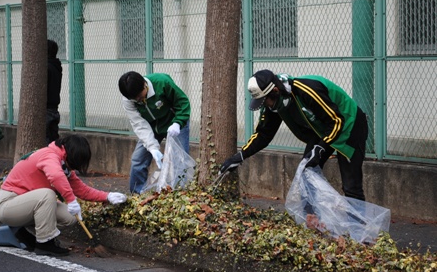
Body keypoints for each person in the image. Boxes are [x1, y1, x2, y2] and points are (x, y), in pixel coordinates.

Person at [220, 69, 368, 202]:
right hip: (321, 130)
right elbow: (263, 134)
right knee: (306, 174)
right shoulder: (276, 105)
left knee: (351, 185)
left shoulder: (306, 90)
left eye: (266, 101)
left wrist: (321, 148)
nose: (266, 106)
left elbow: (336, 120)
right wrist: (239, 157)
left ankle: (358, 230)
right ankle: (313, 222)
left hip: (349, 125)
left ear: (276, 91)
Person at [0, 135, 128, 256]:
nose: (74, 169)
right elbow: (56, 175)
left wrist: (107, 196)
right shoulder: (50, 155)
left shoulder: (64, 165)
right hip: (8, 204)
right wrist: (71, 200)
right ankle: (44, 244)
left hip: (26, 205)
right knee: (47, 194)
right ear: (71, 155)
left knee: (70, 217)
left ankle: (24, 233)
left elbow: (82, 190)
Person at [118, 71, 191, 194]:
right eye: (135, 100)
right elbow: (139, 124)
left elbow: (182, 102)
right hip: (150, 126)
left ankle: (179, 194)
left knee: (179, 160)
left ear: (144, 84)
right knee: (138, 159)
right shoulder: (128, 99)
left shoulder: (162, 82)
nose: (139, 101)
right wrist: (152, 148)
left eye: (140, 97)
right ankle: (137, 195)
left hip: (174, 123)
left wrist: (178, 122)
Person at [46, 39, 62, 145]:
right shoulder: (56, 66)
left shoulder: (46, 68)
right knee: (53, 141)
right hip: (54, 109)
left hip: (46, 109)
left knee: (46, 142)